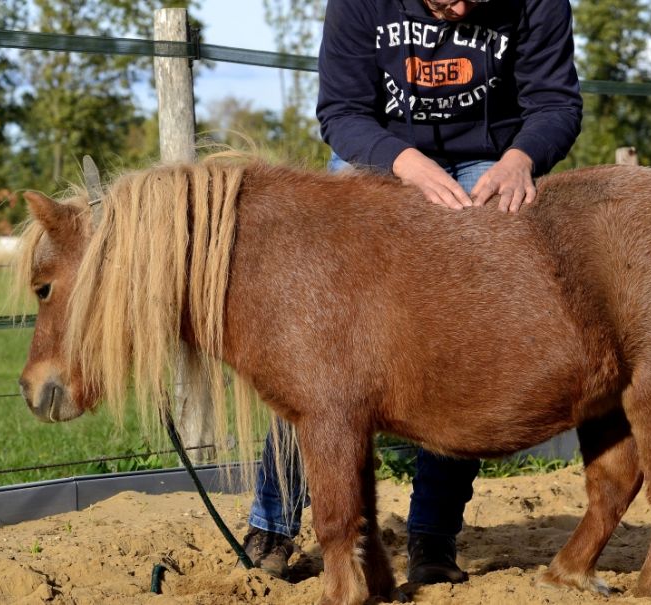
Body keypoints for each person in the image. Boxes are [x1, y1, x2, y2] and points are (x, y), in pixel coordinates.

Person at [240, 0, 582, 585]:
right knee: (310, 343)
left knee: (462, 338)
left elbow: (555, 103)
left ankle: (433, 534)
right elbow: (343, 112)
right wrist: (407, 164)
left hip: (487, 162)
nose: (458, 8)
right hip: (377, 154)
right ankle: (273, 520)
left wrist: (522, 159)